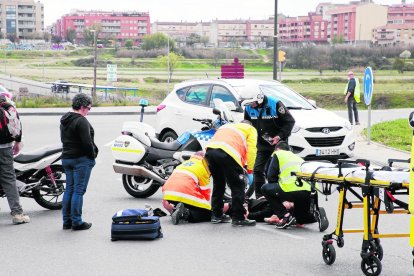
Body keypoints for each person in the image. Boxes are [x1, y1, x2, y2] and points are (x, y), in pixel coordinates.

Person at [261, 141, 329, 231]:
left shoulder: (278, 154)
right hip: (308, 192)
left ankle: (285, 216)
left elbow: (271, 177)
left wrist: (281, 199)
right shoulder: (299, 158)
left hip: (291, 190)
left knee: (265, 188)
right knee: (301, 220)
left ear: (277, 149)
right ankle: (316, 214)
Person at [243, 91, 295, 199]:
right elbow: (247, 124)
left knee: (275, 171)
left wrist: (279, 136)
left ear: (260, 99)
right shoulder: (248, 107)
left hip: (279, 143)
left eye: (252, 103)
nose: (250, 106)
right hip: (262, 143)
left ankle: (282, 196)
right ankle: (261, 198)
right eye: (248, 103)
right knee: (257, 170)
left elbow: (290, 121)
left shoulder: (275, 104)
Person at [205, 120, 258, 227]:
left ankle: (216, 215)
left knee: (218, 184)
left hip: (210, 152)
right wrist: (250, 170)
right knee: (238, 185)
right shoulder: (250, 129)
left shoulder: (226, 126)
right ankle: (238, 218)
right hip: (228, 153)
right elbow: (252, 149)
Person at [60, 93, 98, 231]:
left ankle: (67, 221)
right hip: (80, 159)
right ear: (82, 107)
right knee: (78, 191)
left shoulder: (65, 119)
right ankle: (77, 221)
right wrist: (92, 157)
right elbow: (87, 143)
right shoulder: (81, 120)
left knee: (69, 189)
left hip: (66, 158)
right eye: (88, 108)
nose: (88, 111)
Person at [162, 151, 230, 225]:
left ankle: (174, 210)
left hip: (167, 193)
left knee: (190, 201)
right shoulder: (203, 167)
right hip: (183, 191)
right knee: (209, 212)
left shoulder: (184, 164)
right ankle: (185, 214)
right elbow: (206, 194)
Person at [0, 92, 30, 224]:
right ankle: (18, 214)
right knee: (9, 180)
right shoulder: (9, 107)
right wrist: (17, 143)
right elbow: (18, 128)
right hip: (5, 148)